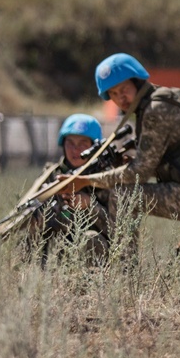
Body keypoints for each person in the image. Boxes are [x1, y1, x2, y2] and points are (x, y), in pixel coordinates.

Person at [61, 53, 180, 262]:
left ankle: (125, 269)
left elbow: (140, 172)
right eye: (114, 93)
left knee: (125, 195)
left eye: (124, 90)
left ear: (137, 82)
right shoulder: (162, 99)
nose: (121, 98)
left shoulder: (155, 110)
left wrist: (86, 180)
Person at [26, 113, 111, 265]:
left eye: (83, 143)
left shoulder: (106, 177)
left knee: (91, 239)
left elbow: (121, 230)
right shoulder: (51, 175)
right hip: (55, 251)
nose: (75, 149)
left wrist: (91, 205)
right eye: (70, 143)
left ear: (95, 146)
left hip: (94, 257)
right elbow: (28, 208)